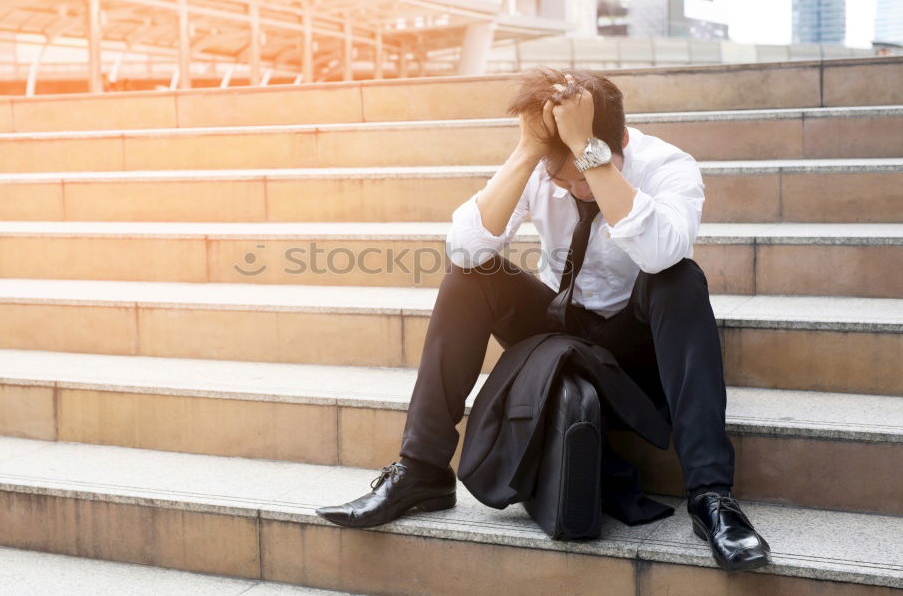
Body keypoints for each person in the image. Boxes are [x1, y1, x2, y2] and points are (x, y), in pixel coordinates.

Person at [315, 67, 771, 572]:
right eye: (564, 178)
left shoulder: (667, 165)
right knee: (469, 277)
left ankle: (711, 496)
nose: (578, 188)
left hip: (640, 350)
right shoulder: (540, 165)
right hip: (562, 334)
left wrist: (589, 153)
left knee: (679, 279)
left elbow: (663, 252)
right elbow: (465, 249)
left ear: (619, 139)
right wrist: (529, 151)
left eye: (588, 173)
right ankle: (422, 471)